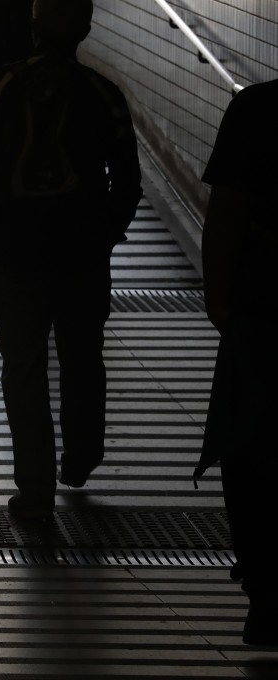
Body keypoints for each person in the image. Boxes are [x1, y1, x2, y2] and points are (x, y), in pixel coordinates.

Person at [0, 0, 143, 520]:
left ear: (33, 27)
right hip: (82, 252)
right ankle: (81, 455)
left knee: (23, 366)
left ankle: (35, 487)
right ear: (85, 28)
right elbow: (127, 180)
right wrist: (105, 234)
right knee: (82, 355)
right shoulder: (105, 94)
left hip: (16, 252)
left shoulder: (0, 85)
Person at [196, 79, 278, 647]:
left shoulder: (257, 109)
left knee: (253, 449)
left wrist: (218, 296)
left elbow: (226, 211)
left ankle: (268, 594)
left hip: (265, 308)